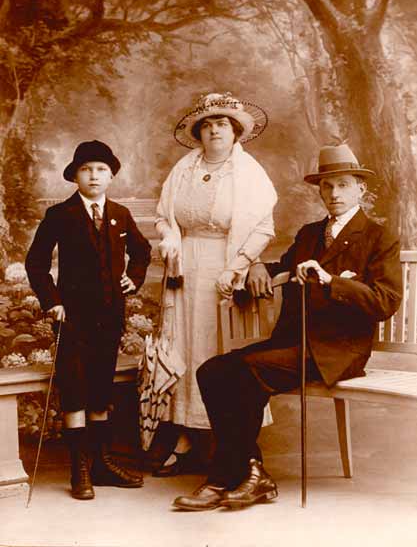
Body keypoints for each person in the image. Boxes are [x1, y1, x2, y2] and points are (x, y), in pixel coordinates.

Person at [172, 142, 403, 511]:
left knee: (247, 371)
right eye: (327, 186)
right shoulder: (309, 234)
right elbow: (281, 268)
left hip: (338, 351)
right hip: (295, 342)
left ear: (361, 188)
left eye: (343, 185)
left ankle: (229, 476)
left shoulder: (379, 237)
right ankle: (248, 473)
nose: (334, 193)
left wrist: (331, 281)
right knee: (212, 371)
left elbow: (385, 302)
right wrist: (257, 267)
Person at [152, 92, 278, 476]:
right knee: (183, 346)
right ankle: (185, 439)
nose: (214, 131)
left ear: (235, 130)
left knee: (216, 351)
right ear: (198, 133)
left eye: (222, 124)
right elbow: (164, 217)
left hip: (224, 269)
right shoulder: (184, 168)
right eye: (207, 126)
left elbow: (262, 228)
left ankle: (230, 445)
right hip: (183, 269)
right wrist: (169, 239)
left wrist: (238, 266)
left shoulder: (248, 172)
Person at [25, 140, 152, 500]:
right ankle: (79, 469)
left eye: (100, 170)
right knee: (75, 387)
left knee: (100, 388)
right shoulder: (60, 215)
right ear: (75, 176)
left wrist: (134, 278)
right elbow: (36, 263)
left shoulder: (120, 214)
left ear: (110, 176)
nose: (93, 176)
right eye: (86, 169)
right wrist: (53, 303)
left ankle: (101, 463)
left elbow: (142, 251)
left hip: (109, 316)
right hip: (73, 318)